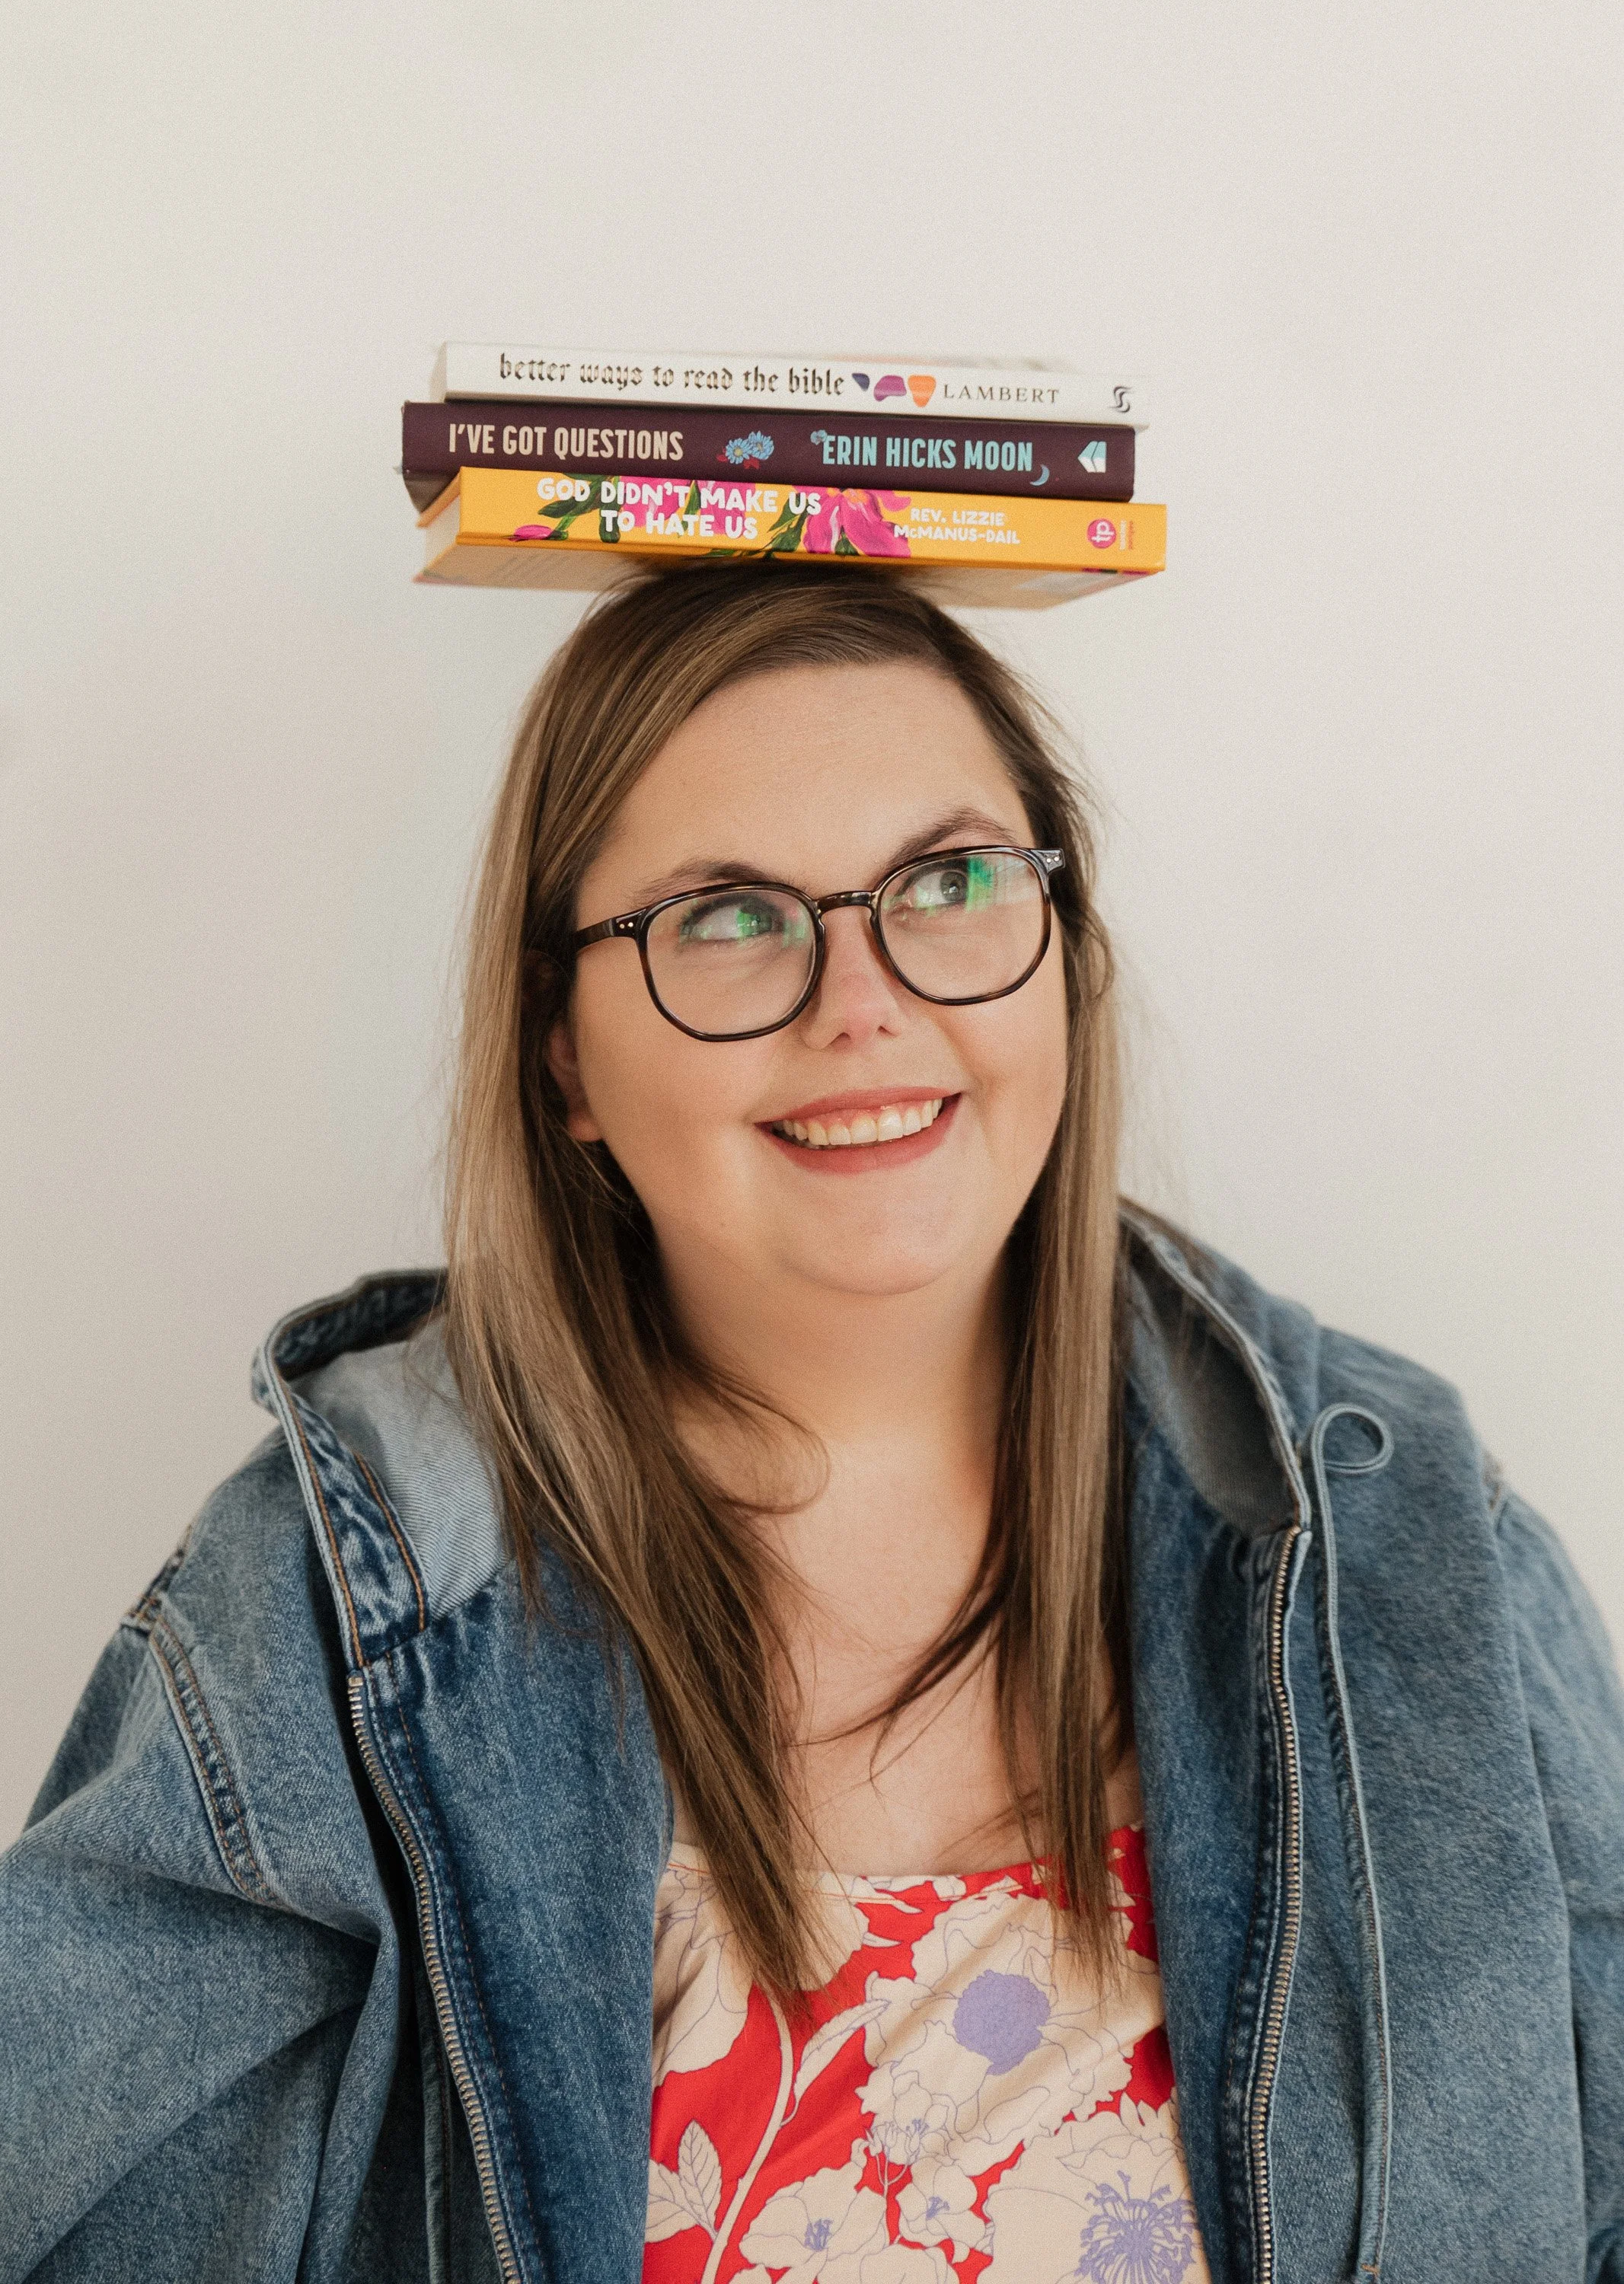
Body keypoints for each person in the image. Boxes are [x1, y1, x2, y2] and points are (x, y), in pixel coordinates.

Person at [2, 563, 1620, 2284]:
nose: (865, 1000)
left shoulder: (1394, 1532)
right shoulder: (337, 1605)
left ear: (1061, 952)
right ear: (562, 1056)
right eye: (725, 916)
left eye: (947, 881)